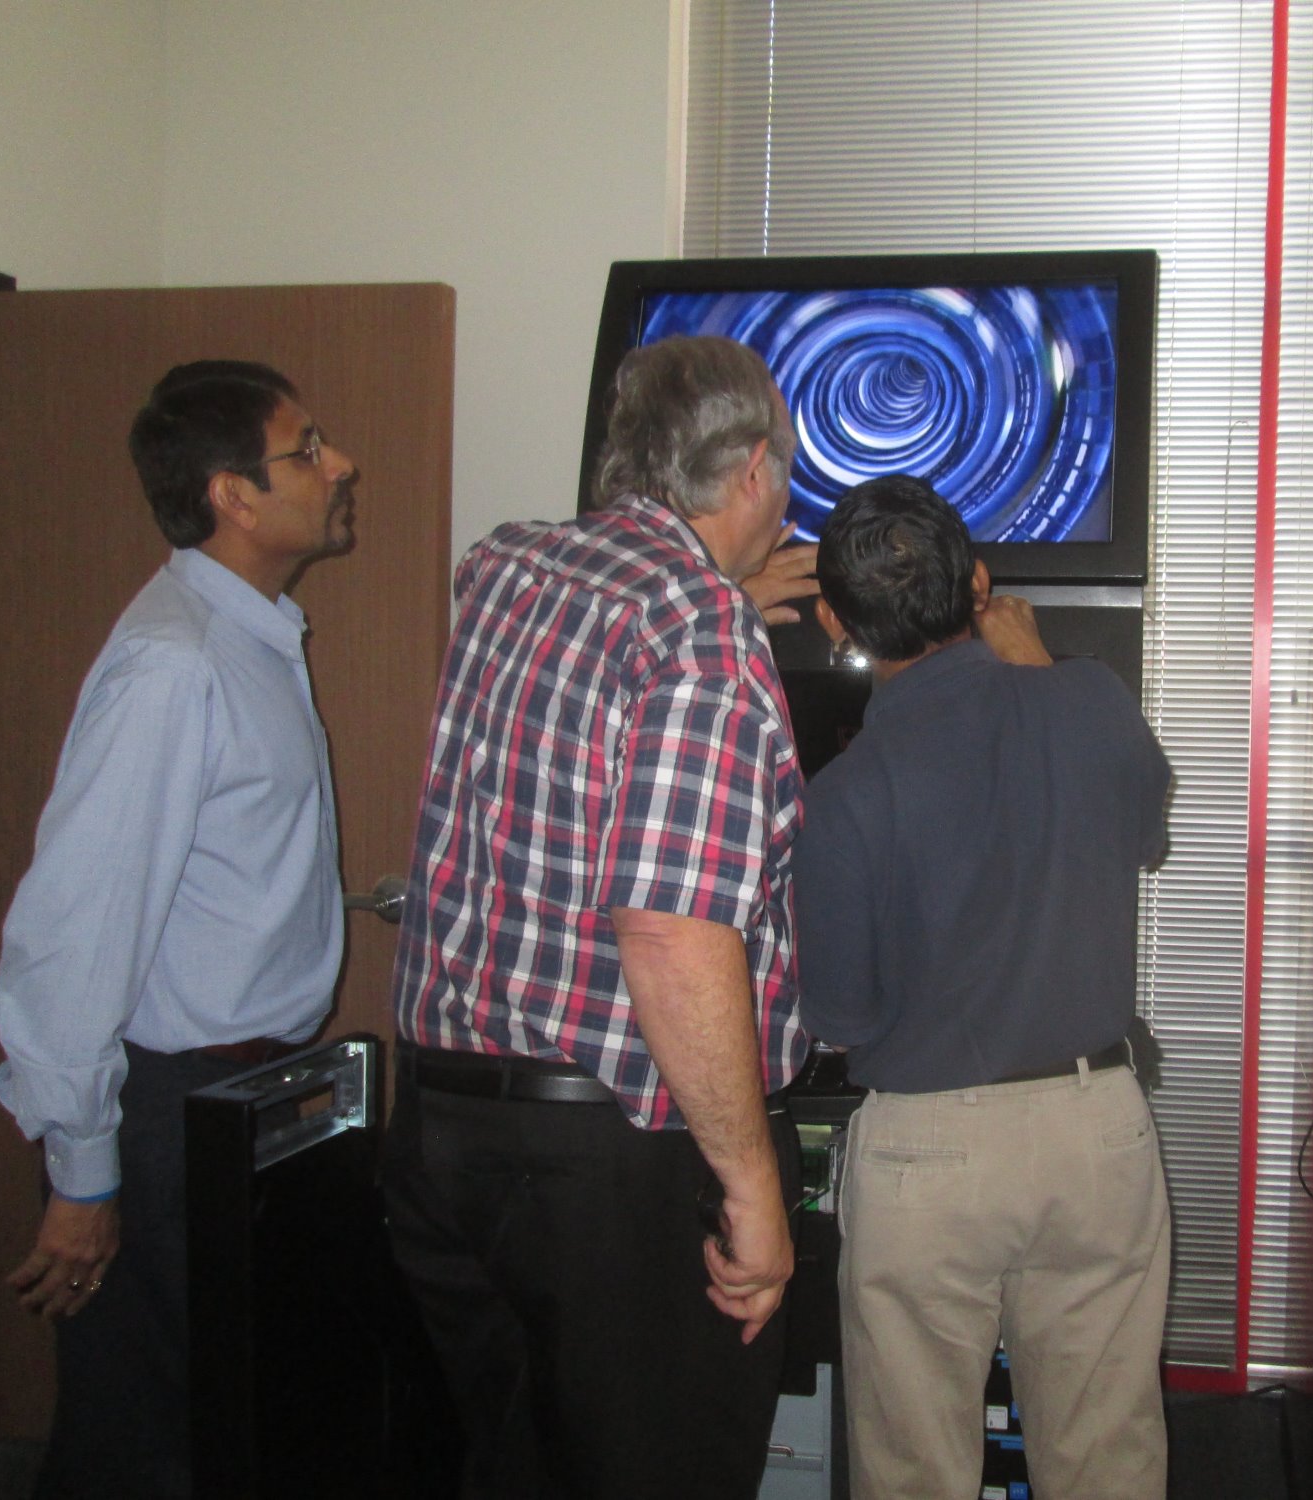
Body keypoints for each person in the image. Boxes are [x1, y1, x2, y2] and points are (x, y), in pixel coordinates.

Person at [383, 333, 815, 1499]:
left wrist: (715, 600)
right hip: (601, 1169)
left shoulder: (506, 567)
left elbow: (581, 677)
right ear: (752, 472)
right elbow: (669, 931)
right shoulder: (701, 632)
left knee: (512, 1466)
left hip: (440, 1129)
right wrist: (753, 1187)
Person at [0, 360, 358, 1498]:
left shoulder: (250, 636)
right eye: (307, 448)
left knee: (223, 1419)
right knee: (139, 1440)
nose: (340, 465)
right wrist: (83, 1173)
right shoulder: (173, 664)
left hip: (243, 1091)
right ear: (232, 495)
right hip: (162, 1109)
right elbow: (76, 928)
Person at [794, 474, 1175, 1500]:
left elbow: (842, 1016)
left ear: (834, 621)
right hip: (1097, 1130)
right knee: (1108, 1462)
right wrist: (1040, 669)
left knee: (913, 1471)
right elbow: (1145, 832)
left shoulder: (844, 793)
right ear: (980, 582)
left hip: (928, 1153)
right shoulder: (1090, 698)